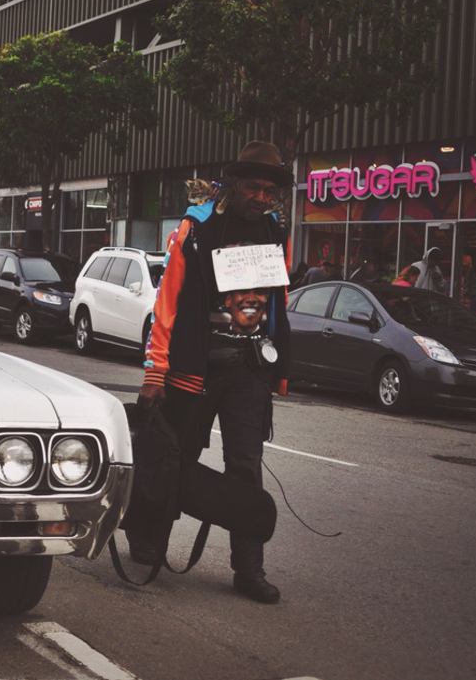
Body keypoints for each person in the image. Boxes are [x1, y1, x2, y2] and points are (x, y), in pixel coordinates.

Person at [134, 140, 292, 604]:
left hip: (247, 372)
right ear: (233, 184)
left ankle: (249, 568)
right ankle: (149, 541)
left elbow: (278, 304)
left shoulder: (273, 230)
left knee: (245, 466)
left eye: (269, 190)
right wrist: (154, 371)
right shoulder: (198, 226)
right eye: (253, 187)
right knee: (172, 458)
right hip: (194, 370)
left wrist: (278, 365)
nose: (261, 197)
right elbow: (168, 303)